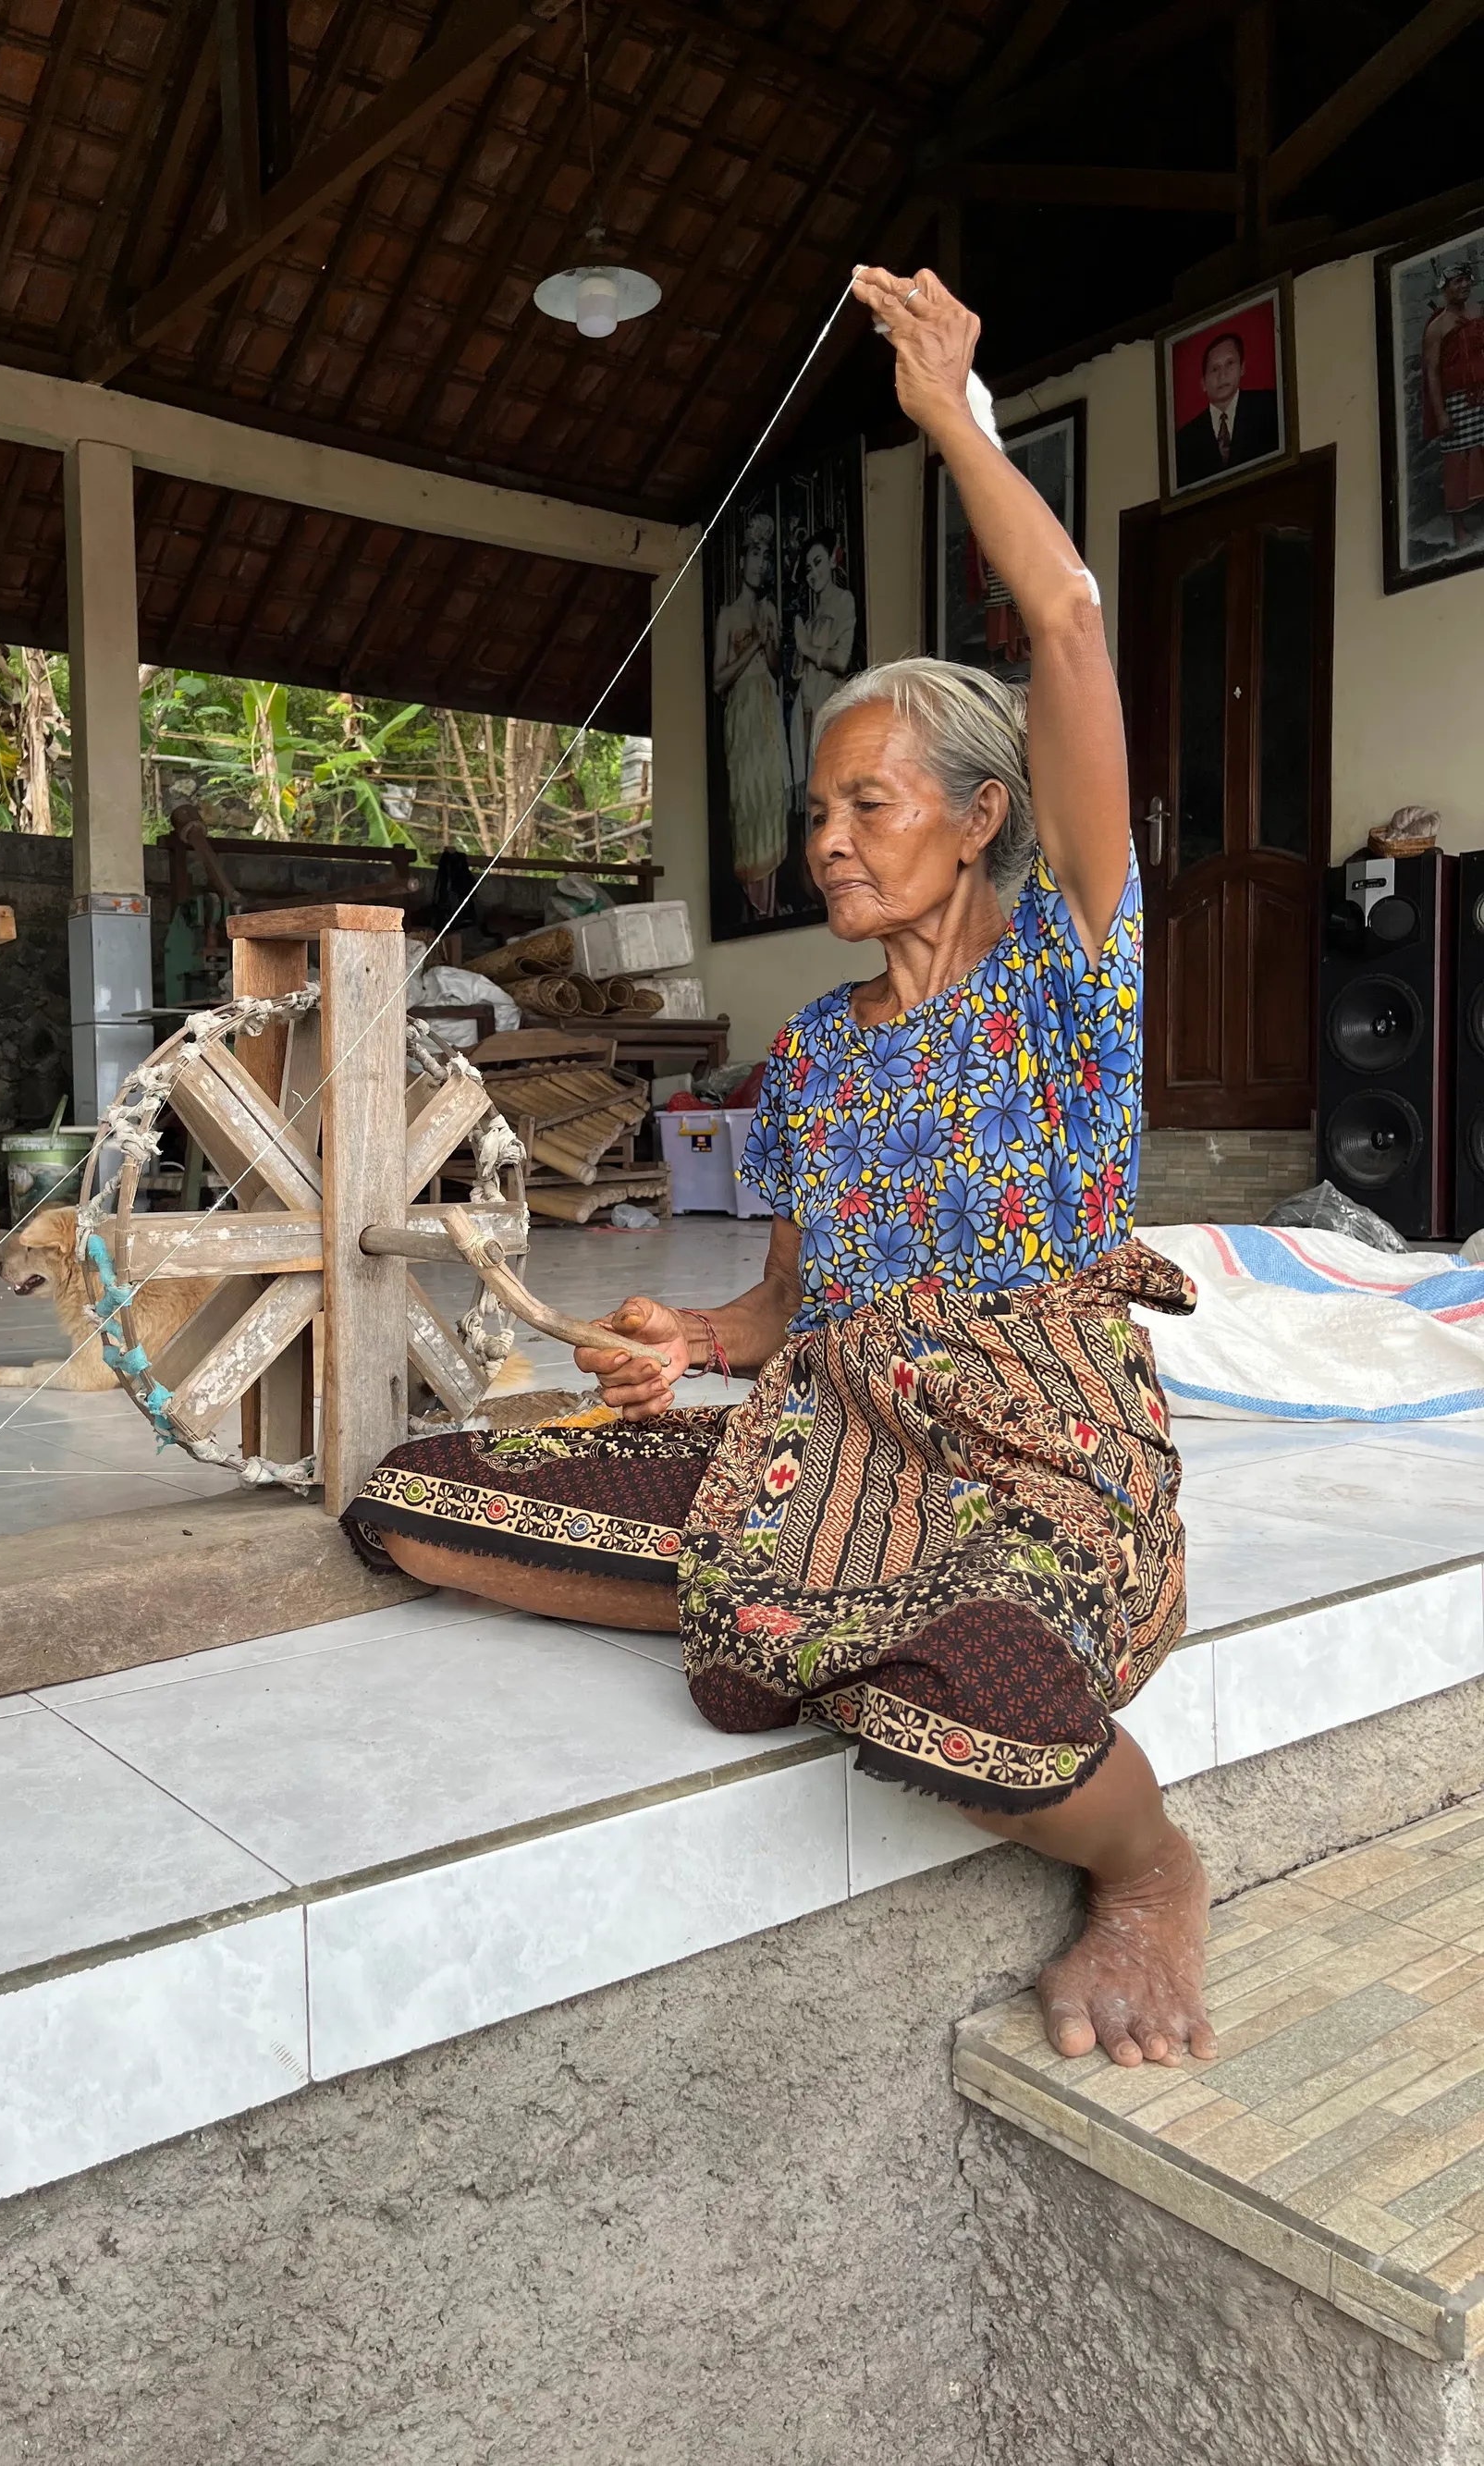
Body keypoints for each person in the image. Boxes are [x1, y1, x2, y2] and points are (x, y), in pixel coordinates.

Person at [344, 265, 1214, 2075]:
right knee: (414, 1499)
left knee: (956, 1700)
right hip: (831, 1430)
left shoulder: (1070, 962)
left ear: (983, 818)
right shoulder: (815, 1054)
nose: (822, 836)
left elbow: (1061, 625)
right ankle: (817, 1596)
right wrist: (692, 1343)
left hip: (1036, 1436)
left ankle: (1144, 1860)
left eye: (865, 803)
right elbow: (782, 1305)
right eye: (811, 809)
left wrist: (955, 414)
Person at [711, 508, 792, 916]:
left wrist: (770, 642)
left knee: (772, 799)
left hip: (767, 711)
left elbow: (777, 668)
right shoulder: (728, 616)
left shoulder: (770, 610)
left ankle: (773, 899)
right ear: (742, 560)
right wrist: (752, 647)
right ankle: (753, 901)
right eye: (755, 555)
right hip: (742, 716)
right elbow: (718, 679)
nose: (760, 564)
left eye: (766, 557)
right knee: (748, 802)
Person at [790, 528, 858, 812]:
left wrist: (806, 647)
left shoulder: (844, 601)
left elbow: (841, 661)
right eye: (808, 568)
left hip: (828, 697)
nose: (812, 573)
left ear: (833, 560)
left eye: (818, 562)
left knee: (827, 783)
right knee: (807, 784)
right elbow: (797, 669)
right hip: (806, 701)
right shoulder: (812, 613)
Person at [1422, 258, 1484, 546]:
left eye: (1466, 279)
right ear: (1444, 288)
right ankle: (1459, 531)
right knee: (1457, 462)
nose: (1464, 285)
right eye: (1457, 281)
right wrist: (1441, 414)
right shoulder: (1437, 328)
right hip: (1458, 403)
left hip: (1483, 394)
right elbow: (1432, 375)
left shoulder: (1479, 311)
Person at [1173, 327, 1281, 490]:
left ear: (1242, 368)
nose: (1222, 375)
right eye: (1214, 369)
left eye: (1230, 363)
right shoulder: (1184, 440)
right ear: (1203, 383)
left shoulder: (1271, 407)